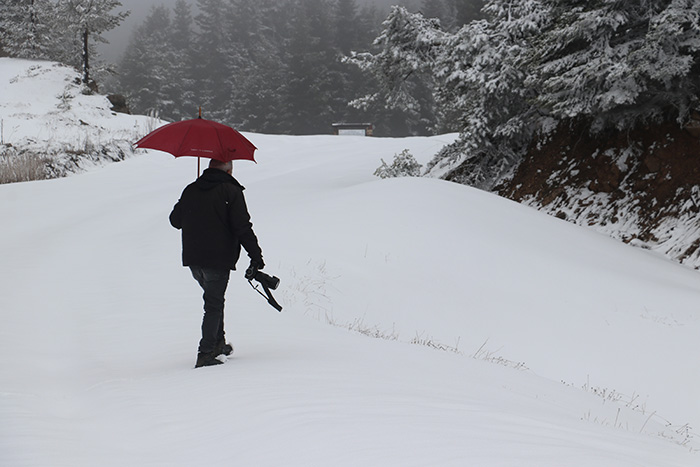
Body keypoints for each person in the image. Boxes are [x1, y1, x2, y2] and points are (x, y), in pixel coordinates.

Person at [169, 159, 265, 368]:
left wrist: (189, 200)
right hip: (218, 257)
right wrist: (256, 255)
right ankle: (205, 353)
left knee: (214, 300)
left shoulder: (191, 189)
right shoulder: (231, 191)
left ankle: (218, 344)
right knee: (213, 304)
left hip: (194, 259)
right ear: (229, 170)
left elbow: (175, 220)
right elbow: (242, 227)